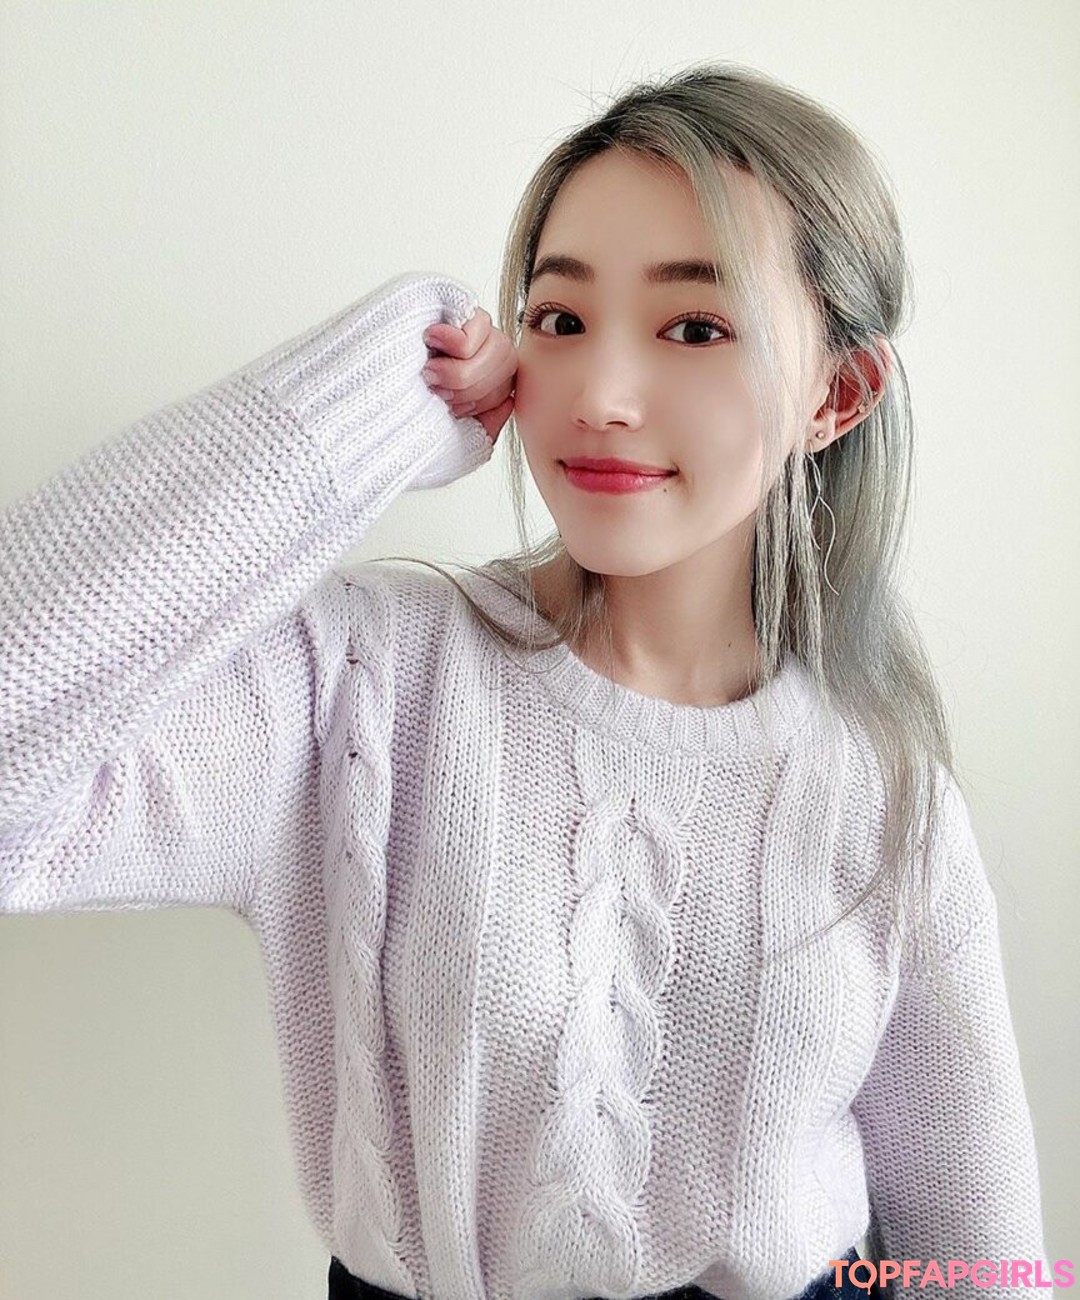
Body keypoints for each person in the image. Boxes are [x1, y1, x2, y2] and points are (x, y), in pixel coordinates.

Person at [0, 61, 1049, 1300]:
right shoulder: (365, 686)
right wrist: (372, 399)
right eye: (558, 320)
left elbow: (982, 1249)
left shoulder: (885, 792)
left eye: (696, 327)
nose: (599, 396)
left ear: (839, 394)